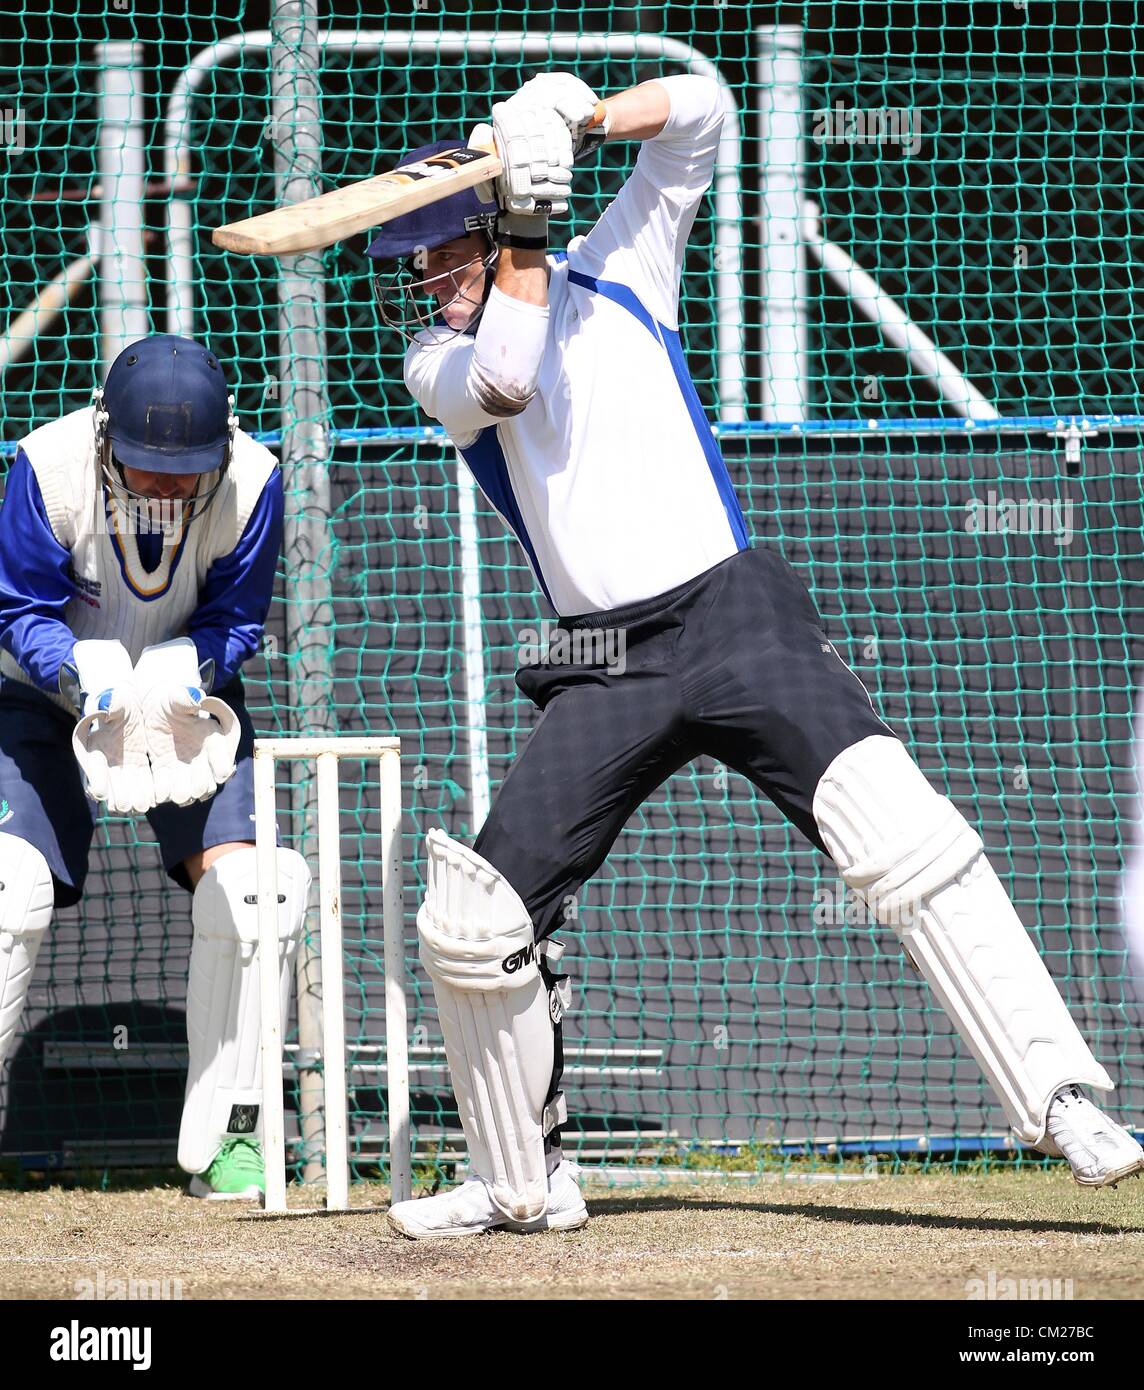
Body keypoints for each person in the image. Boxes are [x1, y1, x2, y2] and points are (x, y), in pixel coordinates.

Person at [370, 73, 1143, 1239]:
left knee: (901, 829)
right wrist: (522, 222)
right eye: (414, 270)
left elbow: (701, 109)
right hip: (603, 658)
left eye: (441, 258)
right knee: (477, 922)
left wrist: (574, 123)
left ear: (485, 226)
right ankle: (522, 1180)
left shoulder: (621, 265)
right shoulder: (439, 361)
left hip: (735, 616)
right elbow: (507, 374)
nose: (426, 287)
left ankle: (1060, 1099)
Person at [0, 334, 308, 1199]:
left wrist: (188, 666)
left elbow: (241, 613)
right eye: (145, 467)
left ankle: (228, 1139)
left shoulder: (253, 476)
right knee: (6, 887)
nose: (167, 487)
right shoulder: (49, 464)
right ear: (106, 437)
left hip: (182, 702)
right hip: (41, 698)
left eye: (186, 470)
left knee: (262, 893)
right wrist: (77, 668)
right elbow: (16, 603)